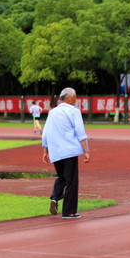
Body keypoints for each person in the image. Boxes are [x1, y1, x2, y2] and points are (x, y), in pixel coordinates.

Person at [42, 87, 90, 219]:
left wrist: (45, 151)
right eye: (75, 97)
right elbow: (80, 132)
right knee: (71, 181)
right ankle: (69, 212)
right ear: (69, 98)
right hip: (69, 151)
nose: (76, 99)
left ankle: (55, 197)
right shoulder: (74, 111)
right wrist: (86, 151)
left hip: (55, 152)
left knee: (62, 177)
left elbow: (45, 133)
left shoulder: (52, 112)